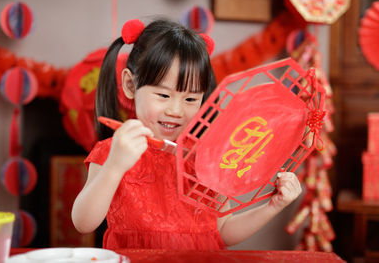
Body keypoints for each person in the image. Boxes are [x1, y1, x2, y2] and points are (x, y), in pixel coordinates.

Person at [71, 18, 302, 250]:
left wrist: (273, 205)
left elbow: (222, 232)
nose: (176, 111)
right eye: (163, 95)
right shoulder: (113, 151)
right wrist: (115, 166)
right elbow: (83, 223)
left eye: (191, 99)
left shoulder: (208, 157)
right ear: (131, 86)